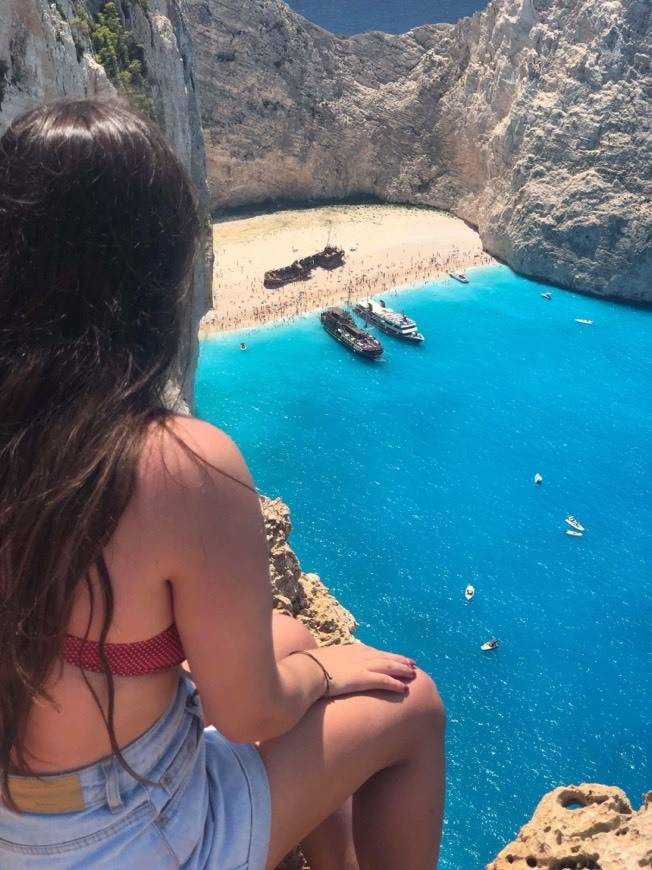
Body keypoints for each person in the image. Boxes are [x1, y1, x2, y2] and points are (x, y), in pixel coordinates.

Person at [0, 98, 445, 869]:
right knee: (413, 703)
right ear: (157, 273)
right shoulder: (178, 465)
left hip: (20, 814)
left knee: (291, 632)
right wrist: (319, 674)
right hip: (128, 829)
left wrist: (301, 659)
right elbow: (247, 715)